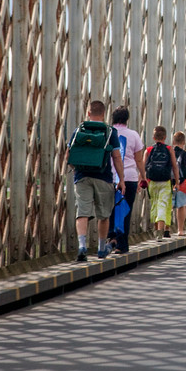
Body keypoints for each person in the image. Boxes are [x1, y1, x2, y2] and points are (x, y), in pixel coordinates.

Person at [69, 100, 124, 261]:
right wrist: (122, 179)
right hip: (103, 177)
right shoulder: (110, 131)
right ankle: (101, 248)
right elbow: (116, 157)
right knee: (104, 215)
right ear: (104, 113)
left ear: (88, 113)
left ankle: (82, 246)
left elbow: (68, 154)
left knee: (82, 212)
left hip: (82, 177)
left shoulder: (79, 130)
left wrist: (75, 169)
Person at [108, 107, 145, 255]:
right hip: (129, 177)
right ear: (127, 119)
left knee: (110, 210)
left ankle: (111, 238)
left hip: (110, 177)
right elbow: (139, 159)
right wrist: (142, 176)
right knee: (125, 210)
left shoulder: (108, 133)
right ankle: (121, 245)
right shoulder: (133, 135)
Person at [145, 126, 177, 241]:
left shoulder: (148, 150)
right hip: (165, 181)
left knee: (154, 205)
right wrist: (177, 181)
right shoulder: (169, 149)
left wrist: (141, 181)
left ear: (153, 138)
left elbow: (143, 167)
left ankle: (156, 230)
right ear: (165, 137)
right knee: (163, 205)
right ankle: (160, 230)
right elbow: (174, 167)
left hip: (152, 182)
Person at [172, 131, 186, 236]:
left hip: (169, 181)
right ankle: (180, 230)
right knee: (181, 206)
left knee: (167, 205)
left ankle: (166, 229)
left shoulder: (169, 152)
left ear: (173, 141)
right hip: (182, 182)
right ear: (184, 142)